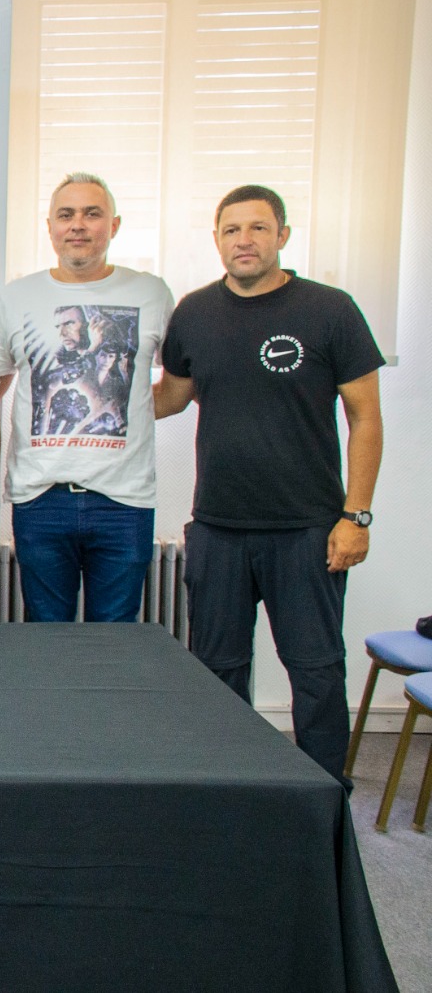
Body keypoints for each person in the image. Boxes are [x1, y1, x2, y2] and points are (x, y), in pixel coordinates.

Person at [155, 184, 383, 785]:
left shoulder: (329, 310)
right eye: (231, 230)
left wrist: (356, 516)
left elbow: (365, 417)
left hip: (307, 530)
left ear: (282, 235)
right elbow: (169, 398)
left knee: (316, 671)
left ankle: (324, 797)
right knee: (217, 670)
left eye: (258, 228)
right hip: (219, 528)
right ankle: (230, 789)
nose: (244, 240)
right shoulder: (194, 313)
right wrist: (85, 399)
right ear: (216, 240)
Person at [0, 173, 175, 622]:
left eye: (92, 214)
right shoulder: (18, 297)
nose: (78, 225)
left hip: (124, 500)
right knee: (45, 634)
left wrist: (119, 408)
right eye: (66, 215)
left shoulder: (151, 293)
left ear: (114, 225)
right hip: (41, 497)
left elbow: (179, 385)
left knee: (115, 637)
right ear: (49, 226)